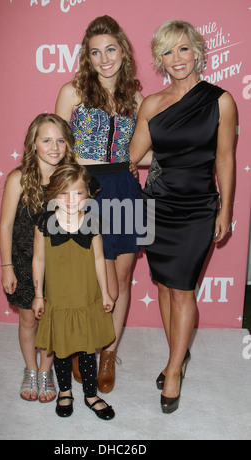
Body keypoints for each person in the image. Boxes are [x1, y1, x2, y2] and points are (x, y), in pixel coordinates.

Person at [130, 19, 237, 413]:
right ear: (160, 59)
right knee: (163, 286)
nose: (176, 58)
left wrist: (225, 207)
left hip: (197, 208)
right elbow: (133, 155)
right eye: (168, 51)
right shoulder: (152, 104)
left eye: (183, 49)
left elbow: (225, 157)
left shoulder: (220, 100)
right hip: (157, 204)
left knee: (183, 288)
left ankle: (173, 369)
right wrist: (164, 158)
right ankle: (178, 354)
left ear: (197, 51)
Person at [55, 15, 146, 393]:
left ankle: (108, 352)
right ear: (87, 58)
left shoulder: (138, 99)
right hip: (87, 190)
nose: (105, 58)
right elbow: (58, 147)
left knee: (122, 278)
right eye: (96, 52)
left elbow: (145, 153)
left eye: (111, 49)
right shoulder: (72, 92)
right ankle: (83, 347)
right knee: (92, 278)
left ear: (123, 51)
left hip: (126, 187)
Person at [0, 113, 76, 402]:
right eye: (46, 140)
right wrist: (7, 267)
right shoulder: (18, 179)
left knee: (52, 321)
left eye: (60, 141)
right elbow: (5, 226)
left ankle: (46, 370)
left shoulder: (70, 180)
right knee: (29, 320)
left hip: (58, 265)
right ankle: (30, 369)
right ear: (33, 144)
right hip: (22, 260)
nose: (54, 147)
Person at [32, 163, 116, 420]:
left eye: (77, 194)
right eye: (63, 193)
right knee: (62, 350)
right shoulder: (44, 222)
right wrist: (38, 295)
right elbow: (39, 260)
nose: (70, 200)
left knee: (87, 350)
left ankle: (90, 395)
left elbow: (99, 259)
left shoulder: (92, 221)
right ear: (53, 194)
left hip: (86, 296)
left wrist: (105, 293)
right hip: (58, 298)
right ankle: (65, 391)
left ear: (88, 196)